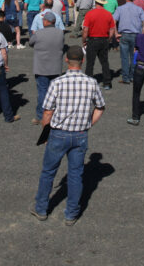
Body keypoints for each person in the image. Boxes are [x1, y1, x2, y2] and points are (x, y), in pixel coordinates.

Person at [31, 45, 106, 226]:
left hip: (58, 133)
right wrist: (88, 123)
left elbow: (47, 111)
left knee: (48, 172)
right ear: (82, 61)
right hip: (80, 134)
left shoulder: (57, 82)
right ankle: (71, 213)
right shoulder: (91, 82)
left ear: (66, 60)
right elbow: (100, 107)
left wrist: (45, 131)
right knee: (75, 174)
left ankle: (41, 208)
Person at [29, 11, 65, 125]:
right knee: (54, 93)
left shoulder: (39, 33)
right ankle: (54, 114)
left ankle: (40, 116)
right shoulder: (60, 33)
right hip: (55, 67)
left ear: (46, 21)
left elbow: (31, 42)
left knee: (42, 92)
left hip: (41, 67)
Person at [82, 0, 116, 91]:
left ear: (95, 2)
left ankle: (88, 83)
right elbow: (112, 29)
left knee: (90, 63)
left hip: (93, 40)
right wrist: (109, 39)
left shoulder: (90, 14)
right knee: (104, 62)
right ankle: (107, 82)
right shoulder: (108, 14)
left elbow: (85, 30)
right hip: (104, 39)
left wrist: (84, 40)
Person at [113, 0, 144, 85]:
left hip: (124, 34)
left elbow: (113, 21)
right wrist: (142, 34)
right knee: (134, 57)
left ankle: (125, 77)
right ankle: (132, 76)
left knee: (124, 57)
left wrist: (116, 33)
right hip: (136, 35)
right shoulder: (139, 9)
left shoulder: (120, 9)